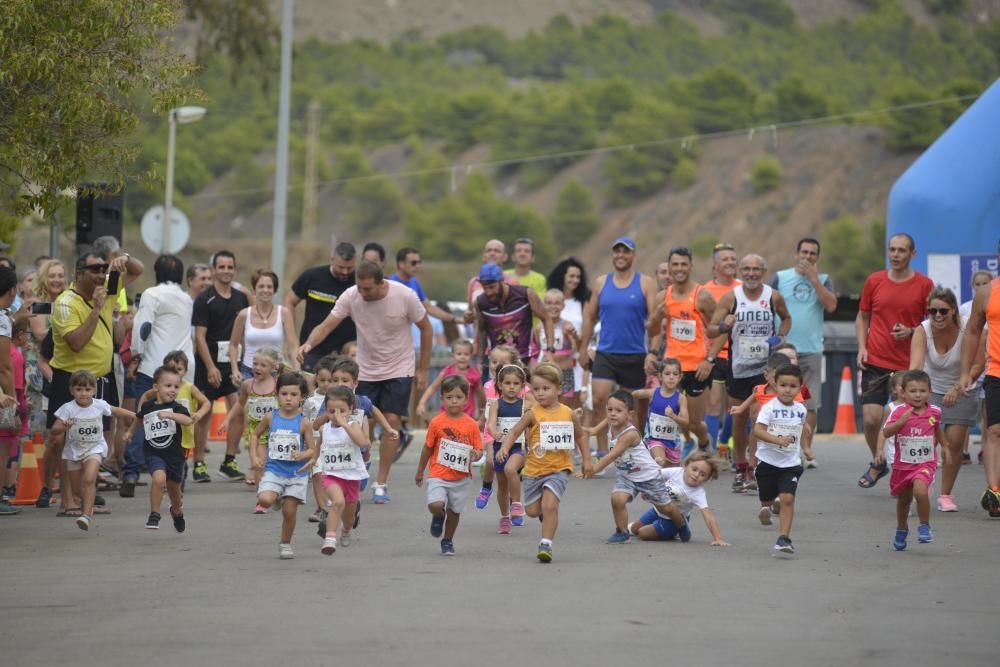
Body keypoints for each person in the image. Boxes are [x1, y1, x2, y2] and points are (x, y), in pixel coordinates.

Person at [297, 261, 431, 504]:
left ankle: (381, 482)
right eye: (359, 287)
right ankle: (364, 456)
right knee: (359, 420)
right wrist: (308, 344)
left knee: (390, 422)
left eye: (367, 289)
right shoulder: (351, 296)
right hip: (367, 370)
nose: (363, 293)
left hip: (399, 367)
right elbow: (327, 324)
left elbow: (426, 327)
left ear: (381, 283)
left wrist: (422, 369)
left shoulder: (405, 295)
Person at [40, 250, 143, 512]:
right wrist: (97, 308)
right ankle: (63, 498)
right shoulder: (66, 302)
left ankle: (84, 497)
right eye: (94, 270)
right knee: (61, 439)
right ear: (79, 274)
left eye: (102, 269)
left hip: (100, 379)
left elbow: (138, 269)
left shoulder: (107, 288)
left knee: (92, 438)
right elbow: (76, 343)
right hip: (70, 380)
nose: (100, 274)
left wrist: (123, 258)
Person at [707, 254, 791, 493]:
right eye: (747, 269)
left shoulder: (773, 296)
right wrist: (725, 325)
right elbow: (711, 329)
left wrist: (780, 337)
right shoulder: (731, 298)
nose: (752, 273)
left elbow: (786, 318)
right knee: (738, 417)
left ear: (764, 271)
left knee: (758, 415)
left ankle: (755, 467)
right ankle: (740, 465)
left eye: (756, 269)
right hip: (738, 368)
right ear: (740, 272)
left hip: (764, 369)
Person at [855, 233, 934, 489]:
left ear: (913, 254)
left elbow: (932, 322)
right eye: (892, 249)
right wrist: (861, 347)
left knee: (906, 420)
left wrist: (911, 331)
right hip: (876, 360)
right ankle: (878, 461)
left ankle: (906, 469)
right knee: (870, 418)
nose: (895, 255)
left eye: (901, 250)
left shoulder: (924, 285)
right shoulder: (874, 280)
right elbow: (862, 316)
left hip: (907, 365)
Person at [497, 362, 592, 562]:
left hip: (559, 468)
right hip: (534, 469)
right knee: (532, 511)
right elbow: (514, 432)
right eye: (536, 389)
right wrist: (505, 447)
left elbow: (581, 436)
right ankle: (544, 516)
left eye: (546, 389)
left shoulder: (568, 413)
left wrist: (586, 460)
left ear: (559, 389)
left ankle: (546, 543)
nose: (540, 393)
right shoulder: (532, 413)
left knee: (550, 506)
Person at [578, 237, 657, 458]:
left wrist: (653, 352)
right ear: (613, 255)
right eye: (617, 252)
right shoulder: (602, 282)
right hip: (606, 352)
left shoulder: (646, 283)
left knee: (634, 407)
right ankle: (603, 449)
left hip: (635, 354)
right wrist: (584, 349)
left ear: (633, 255)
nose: (621, 256)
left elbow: (655, 321)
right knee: (600, 398)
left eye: (626, 252)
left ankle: (635, 448)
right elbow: (589, 317)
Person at [122, 255, 193, 494]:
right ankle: (177, 473)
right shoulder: (187, 298)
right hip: (183, 369)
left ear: (156, 273)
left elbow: (143, 328)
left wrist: (135, 355)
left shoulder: (152, 294)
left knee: (143, 416)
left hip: (155, 367)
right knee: (177, 421)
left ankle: (131, 473)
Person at [910, 287, 982, 512]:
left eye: (943, 311)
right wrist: (914, 392)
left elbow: (977, 364)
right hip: (929, 389)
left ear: (953, 311)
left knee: (954, 442)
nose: (937, 316)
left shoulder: (966, 329)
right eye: (932, 311)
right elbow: (916, 366)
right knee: (922, 442)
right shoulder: (922, 331)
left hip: (962, 387)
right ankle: (921, 486)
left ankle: (945, 495)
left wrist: (958, 387)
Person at [769, 238, 837, 467]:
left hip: (810, 349)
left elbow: (831, 306)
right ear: (797, 253)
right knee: (778, 398)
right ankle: (781, 448)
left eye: (812, 254)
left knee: (810, 402)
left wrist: (814, 280)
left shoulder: (824, 280)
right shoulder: (781, 277)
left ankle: (805, 448)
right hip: (783, 349)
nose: (807, 257)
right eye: (804, 252)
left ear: (817, 257)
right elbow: (767, 303)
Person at [645, 246, 717, 454]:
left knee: (693, 422)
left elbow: (719, 329)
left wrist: (709, 360)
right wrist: (653, 351)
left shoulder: (702, 295)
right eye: (675, 264)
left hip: (697, 367)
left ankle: (703, 442)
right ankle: (668, 453)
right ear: (669, 267)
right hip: (671, 367)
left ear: (691, 266)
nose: (679, 269)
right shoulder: (662, 297)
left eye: (683, 264)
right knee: (667, 415)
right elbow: (653, 330)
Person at [585, 390, 677, 544]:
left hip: (648, 475)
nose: (613, 414)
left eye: (618, 411)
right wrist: (591, 430)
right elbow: (601, 426)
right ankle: (622, 532)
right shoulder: (611, 421)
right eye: (610, 409)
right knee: (617, 499)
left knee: (666, 509)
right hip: (627, 475)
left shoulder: (630, 434)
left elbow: (611, 456)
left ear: (630, 414)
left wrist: (592, 469)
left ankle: (681, 525)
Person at [50, 370, 136, 529]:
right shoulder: (68, 408)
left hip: (94, 448)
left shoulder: (99, 405)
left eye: (88, 389)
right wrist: (64, 426)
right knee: (76, 490)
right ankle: (85, 502)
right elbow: (54, 430)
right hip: (73, 452)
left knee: (89, 478)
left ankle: (86, 515)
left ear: (94, 390)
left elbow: (116, 411)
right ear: (72, 390)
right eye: (79, 389)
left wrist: (135, 415)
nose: (83, 393)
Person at [192, 250, 250, 482]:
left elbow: (245, 333)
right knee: (204, 413)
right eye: (222, 267)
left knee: (238, 410)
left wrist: (243, 363)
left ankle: (229, 460)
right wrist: (209, 367)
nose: (226, 271)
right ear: (214, 270)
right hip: (209, 364)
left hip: (233, 365)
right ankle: (198, 463)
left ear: (234, 270)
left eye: (230, 267)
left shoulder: (241, 298)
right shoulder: (204, 299)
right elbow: (199, 337)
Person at [878, 370, 949, 550]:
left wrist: (945, 447)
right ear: (903, 392)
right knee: (904, 500)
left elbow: (937, 429)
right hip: (903, 465)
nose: (918, 395)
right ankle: (901, 529)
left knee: (921, 491)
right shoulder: (898, 412)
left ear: (930, 392)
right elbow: (886, 432)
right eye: (913, 391)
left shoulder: (935, 412)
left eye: (922, 391)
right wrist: (901, 422)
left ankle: (924, 526)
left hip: (925, 463)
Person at [250, 372, 317, 560]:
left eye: (294, 395)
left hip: (296, 473)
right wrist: (254, 455)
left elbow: (313, 449)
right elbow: (255, 434)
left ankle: (285, 543)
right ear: (277, 395)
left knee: (289, 511)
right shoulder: (271, 417)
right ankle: (276, 496)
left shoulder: (303, 423)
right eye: (284, 393)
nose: (288, 398)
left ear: (302, 397)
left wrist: (303, 454)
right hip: (274, 470)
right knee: (264, 500)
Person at [415, 375, 483, 556]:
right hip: (438, 472)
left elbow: (478, 449)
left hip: (461, 476)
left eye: (458, 397)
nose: (454, 401)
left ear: (466, 399)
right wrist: (420, 471)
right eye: (449, 397)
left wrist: (477, 454)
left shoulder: (471, 424)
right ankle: (438, 515)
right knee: (436, 504)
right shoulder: (437, 422)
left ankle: (447, 540)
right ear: (442, 398)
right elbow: (427, 448)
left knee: (455, 511)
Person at [122, 366, 193, 532]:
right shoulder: (148, 406)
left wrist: (170, 415)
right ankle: (154, 514)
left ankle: (176, 511)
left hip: (175, 456)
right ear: (156, 387)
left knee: (174, 488)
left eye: (176, 387)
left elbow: (187, 420)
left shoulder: (176, 407)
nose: (173, 390)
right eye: (168, 386)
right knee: (159, 479)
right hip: (154, 453)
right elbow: (139, 419)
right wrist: (130, 432)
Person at [959, 240, 1000, 518]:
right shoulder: (987, 292)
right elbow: (973, 331)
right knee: (994, 431)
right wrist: (965, 372)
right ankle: (994, 492)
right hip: (996, 372)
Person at [752, 364, 809, 555]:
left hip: (790, 463)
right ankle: (767, 505)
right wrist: (777, 440)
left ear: (799, 388)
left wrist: (806, 448)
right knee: (766, 498)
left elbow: (803, 429)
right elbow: (758, 430)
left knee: (787, 498)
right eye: (783, 385)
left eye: (793, 386)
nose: (787, 389)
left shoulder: (801, 409)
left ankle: (784, 538)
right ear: (775, 385)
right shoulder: (769, 408)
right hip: (767, 462)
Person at [284, 242, 357, 373]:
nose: (345, 272)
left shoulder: (359, 282)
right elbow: (289, 302)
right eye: (341, 267)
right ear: (332, 260)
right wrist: (293, 343)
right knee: (310, 390)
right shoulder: (312, 277)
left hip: (348, 352)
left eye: (349, 268)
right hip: (313, 349)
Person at [313, 385, 370, 555]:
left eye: (342, 411)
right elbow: (319, 443)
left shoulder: (352, 425)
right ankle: (330, 539)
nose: (336, 415)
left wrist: (345, 424)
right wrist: (312, 459)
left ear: (351, 409)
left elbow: (363, 443)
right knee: (338, 502)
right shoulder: (326, 428)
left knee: (349, 517)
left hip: (351, 477)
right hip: (331, 475)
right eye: (331, 411)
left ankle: (346, 529)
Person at [627, 452, 728, 546]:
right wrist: (646, 489)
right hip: (657, 511)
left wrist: (717, 538)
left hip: (673, 521)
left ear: (706, 479)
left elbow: (708, 515)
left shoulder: (698, 493)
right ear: (686, 465)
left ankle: (679, 528)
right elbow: (654, 475)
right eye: (694, 469)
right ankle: (662, 530)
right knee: (634, 529)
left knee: (642, 533)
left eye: (702, 475)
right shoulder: (676, 472)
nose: (696, 475)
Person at [473, 262, 554, 367]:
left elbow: (547, 318)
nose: (488, 292)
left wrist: (550, 350)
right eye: (485, 288)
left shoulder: (525, 294)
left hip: (527, 359)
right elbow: (482, 331)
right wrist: (479, 361)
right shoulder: (481, 302)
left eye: (492, 287)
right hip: (498, 363)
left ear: (502, 280)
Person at [228, 269, 299, 385]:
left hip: (276, 372)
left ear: (275, 290)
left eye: (269, 287)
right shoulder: (244, 314)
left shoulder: (284, 313)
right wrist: (235, 370)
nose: (265, 290)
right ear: (254, 289)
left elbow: (293, 346)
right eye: (261, 286)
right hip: (249, 372)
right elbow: (233, 345)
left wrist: (297, 370)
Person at [703, 243, 740, 458]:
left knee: (735, 404)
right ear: (715, 265)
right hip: (714, 353)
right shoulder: (706, 291)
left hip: (739, 354)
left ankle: (727, 442)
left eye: (733, 259)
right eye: (725, 260)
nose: (730, 263)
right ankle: (711, 449)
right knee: (714, 402)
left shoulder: (743, 287)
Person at [485, 361, 532, 534]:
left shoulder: (525, 405)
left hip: (518, 448)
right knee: (502, 486)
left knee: (510, 469)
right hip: (499, 447)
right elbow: (490, 423)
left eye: (516, 384)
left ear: (522, 385)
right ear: (499, 384)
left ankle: (517, 505)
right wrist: (494, 432)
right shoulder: (496, 404)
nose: (511, 387)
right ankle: (504, 517)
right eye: (507, 383)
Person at [234, 346, 281, 496]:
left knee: (274, 464)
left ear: (273, 367)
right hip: (257, 431)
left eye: (262, 365)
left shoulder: (279, 384)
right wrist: (226, 420)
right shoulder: (248, 384)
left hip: (276, 429)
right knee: (260, 463)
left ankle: (276, 489)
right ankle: (262, 496)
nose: (257, 367)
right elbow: (239, 404)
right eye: (255, 363)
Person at [547, 257, 591, 401]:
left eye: (578, 277)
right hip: (553, 357)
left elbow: (587, 328)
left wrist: (584, 349)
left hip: (576, 358)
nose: (575, 280)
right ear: (563, 276)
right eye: (571, 276)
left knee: (575, 401)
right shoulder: (551, 299)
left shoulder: (583, 301)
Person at [632, 358, 689, 467]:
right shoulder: (653, 393)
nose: (671, 377)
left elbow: (686, 422)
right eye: (667, 374)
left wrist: (673, 416)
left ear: (680, 377)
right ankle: (657, 462)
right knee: (660, 461)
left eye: (675, 374)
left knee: (672, 476)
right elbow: (635, 394)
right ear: (660, 376)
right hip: (654, 439)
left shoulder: (681, 398)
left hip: (673, 442)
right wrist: (623, 400)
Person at [0, 267, 25, 515]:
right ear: (12, 290)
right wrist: (13, 409)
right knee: (4, 445)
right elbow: (4, 368)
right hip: (2, 395)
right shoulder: (1, 319)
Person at [390, 247, 464, 325]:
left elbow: (429, 308)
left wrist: (455, 319)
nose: (417, 266)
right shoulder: (390, 283)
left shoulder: (414, 282)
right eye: (413, 263)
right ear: (401, 264)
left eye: (419, 262)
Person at [416, 339, 483, 420]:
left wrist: (483, 412)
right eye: (459, 354)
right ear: (453, 355)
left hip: (467, 415)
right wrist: (422, 402)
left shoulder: (474, 375)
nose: (462, 357)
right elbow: (433, 387)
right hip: (446, 414)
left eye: (466, 354)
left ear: (471, 355)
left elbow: (481, 395)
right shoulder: (446, 372)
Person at [530, 290, 578, 394]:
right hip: (545, 373)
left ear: (563, 306)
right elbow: (537, 350)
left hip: (564, 372)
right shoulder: (538, 328)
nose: (553, 306)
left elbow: (576, 347)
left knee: (565, 408)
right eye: (549, 303)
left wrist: (573, 335)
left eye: (557, 303)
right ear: (543, 305)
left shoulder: (567, 325)